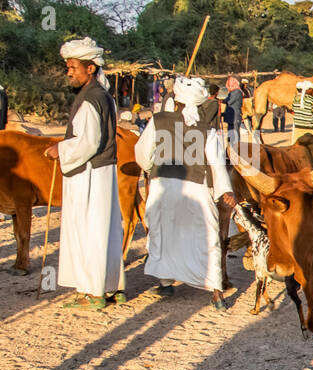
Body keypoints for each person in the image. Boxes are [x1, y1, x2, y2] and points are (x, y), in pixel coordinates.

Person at [134, 77, 235, 310]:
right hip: (196, 188)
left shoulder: (157, 121)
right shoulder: (206, 130)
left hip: (162, 187)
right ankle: (216, 292)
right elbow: (217, 162)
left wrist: (153, 169)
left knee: (164, 233)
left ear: (176, 100)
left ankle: (166, 282)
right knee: (206, 236)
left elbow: (141, 152)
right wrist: (224, 190)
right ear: (199, 105)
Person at [44, 38, 125, 309]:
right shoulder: (103, 95)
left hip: (88, 173)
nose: (69, 72)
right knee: (105, 229)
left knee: (88, 230)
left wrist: (60, 149)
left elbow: (88, 142)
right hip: (102, 171)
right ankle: (110, 286)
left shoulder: (91, 98)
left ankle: (92, 292)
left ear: (90, 69)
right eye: (68, 67)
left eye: (73, 67)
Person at [223, 75, 244, 147]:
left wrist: (223, 101)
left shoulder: (237, 92)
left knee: (235, 133)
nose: (228, 84)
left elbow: (229, 101)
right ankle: (230, 149)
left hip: (235, 116)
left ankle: (236, 149)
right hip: (230, 116)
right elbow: (225, 100)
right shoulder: (231, 92)